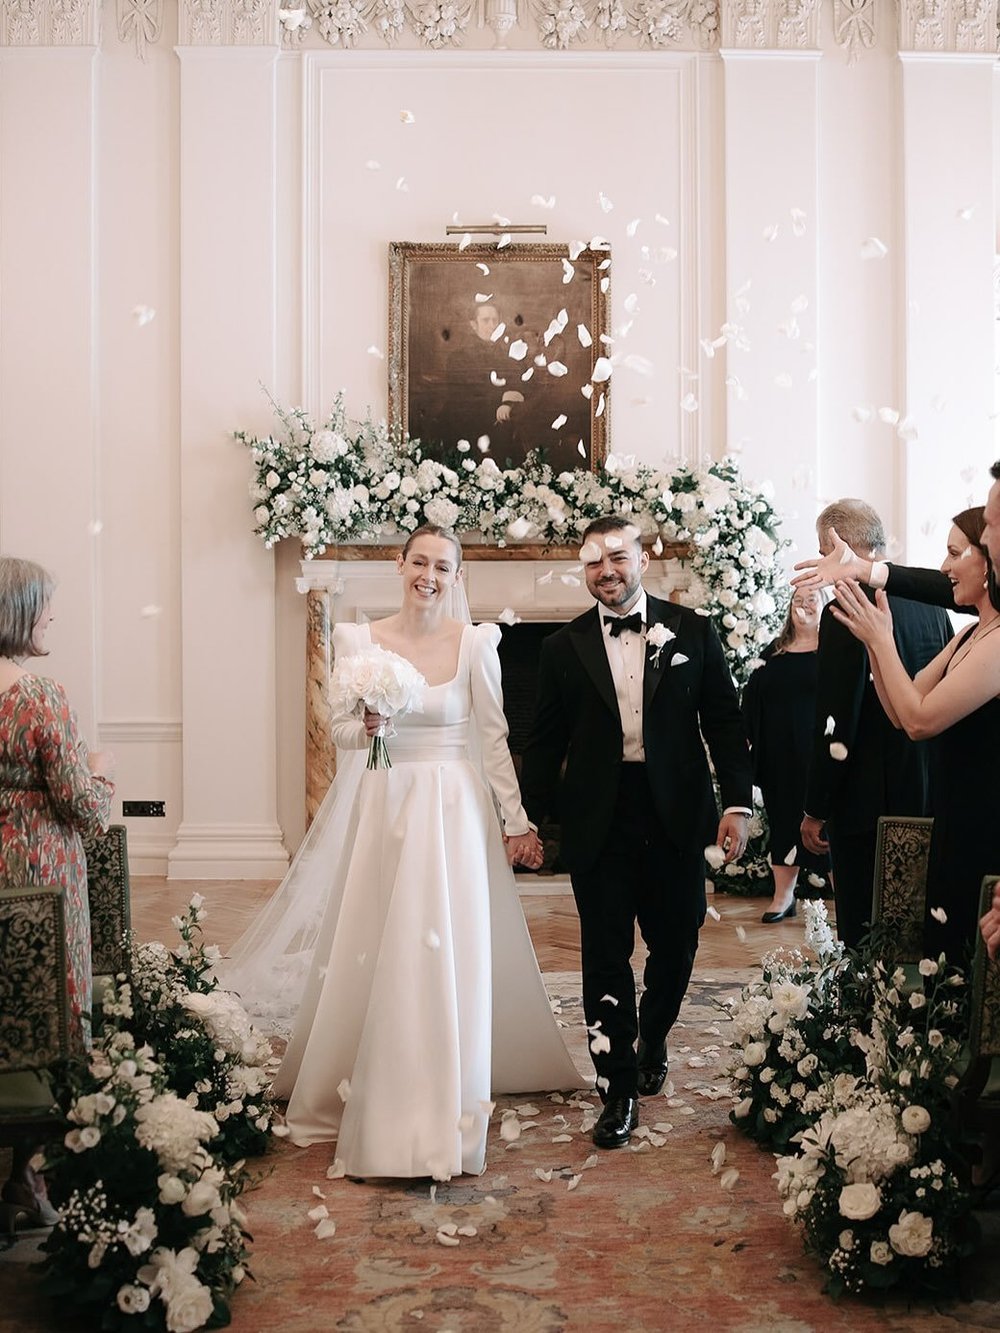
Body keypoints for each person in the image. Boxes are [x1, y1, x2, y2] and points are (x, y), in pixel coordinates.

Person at [224, 525, 585, 1181]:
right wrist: (364, 725)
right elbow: (337, 731)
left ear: (456, 574)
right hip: (386, 807)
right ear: (400, 564)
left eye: (442, 566)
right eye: (419, 561)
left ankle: (448, 1095)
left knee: (451, 947)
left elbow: (495, 740)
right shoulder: (358, 641)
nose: (428, 574)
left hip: (453, 813)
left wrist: (517, 820)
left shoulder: (477, 643)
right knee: (377, 940)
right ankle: (373, 1080)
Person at [519, 516, 753, 1150]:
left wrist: (738, 804)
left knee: (675, 947)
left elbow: (726, 729)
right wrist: (525, 820)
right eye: (593, 563)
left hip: (677, 813)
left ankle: (653, 1036)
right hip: (599, 816)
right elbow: (540, 744)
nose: (606, 572)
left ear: (643, 558)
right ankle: (617, 1086)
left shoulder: (694, 633)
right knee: (604, 955)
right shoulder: (561, 648)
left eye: (617, 557)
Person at [821, 507, 1000, 962]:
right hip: (949, 821)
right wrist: (874, 641)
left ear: (989, 562)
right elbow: (900, 710)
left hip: (985, 831)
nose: (944, 567)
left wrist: (883, 641)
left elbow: (921, 722)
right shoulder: (968, 636)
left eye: (955, 553)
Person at [0, 556, 115, 1227]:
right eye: (46, 608)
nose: (54, 619)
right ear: (21, 614)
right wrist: (100, 771)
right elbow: (83, 806)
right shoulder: (41, 696)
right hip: (39, 874)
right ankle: (34, 1176)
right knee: (51, 1008)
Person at [799, 500, 951, 949]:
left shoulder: (845, 607)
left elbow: (836, 718)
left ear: (836, 545)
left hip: (865, 798)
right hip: (923, 787)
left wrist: (816, 807)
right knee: (912, 924)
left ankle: (867, 1013)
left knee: (866, 928)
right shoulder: (931, 603)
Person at [741, 588, 831, 922]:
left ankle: (844, 897)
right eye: (799, 599)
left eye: (812, 599)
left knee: (826, 826)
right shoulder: (774, 651)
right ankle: (783, 896)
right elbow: (751, 700)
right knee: (783, 824)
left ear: (824, 606)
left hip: (819, 754)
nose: (804, 605)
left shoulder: (834, 651)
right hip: (779, 756)